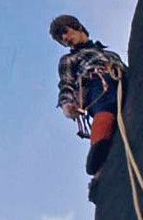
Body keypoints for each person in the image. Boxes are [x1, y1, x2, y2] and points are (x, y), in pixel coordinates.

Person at [49, 14, 127, 176]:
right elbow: (66, 83)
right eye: (60, 38)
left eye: (65, 31)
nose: (65, 38)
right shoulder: (69, 59)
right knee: (106, 104)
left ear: (77, 27)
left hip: (120, 78)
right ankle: (98, 146)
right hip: (95, 83)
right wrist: (67, 104)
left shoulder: (109, 54)